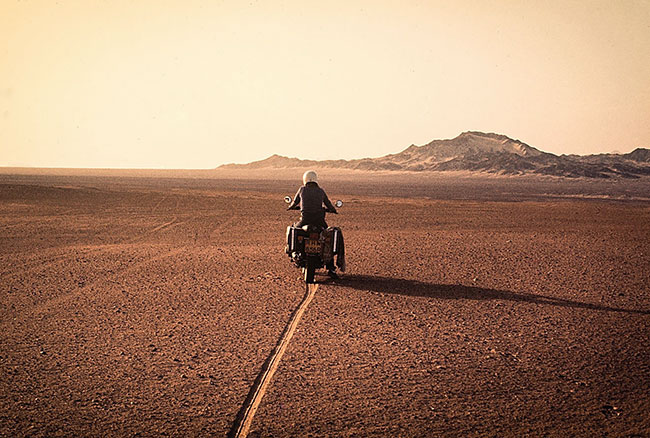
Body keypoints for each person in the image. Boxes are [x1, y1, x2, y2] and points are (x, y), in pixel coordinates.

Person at [287, 170, 341, 278]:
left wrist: (291, 207)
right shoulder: (321, 191)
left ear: (305, 179)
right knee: (328, 237)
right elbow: (328, 204)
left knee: (293, 229)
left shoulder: (302, 189)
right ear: (316, 179)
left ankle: (293, 252)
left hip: (305, 220)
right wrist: (333, 210)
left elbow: (295, 202)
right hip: (319, 221)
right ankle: (331, 267)